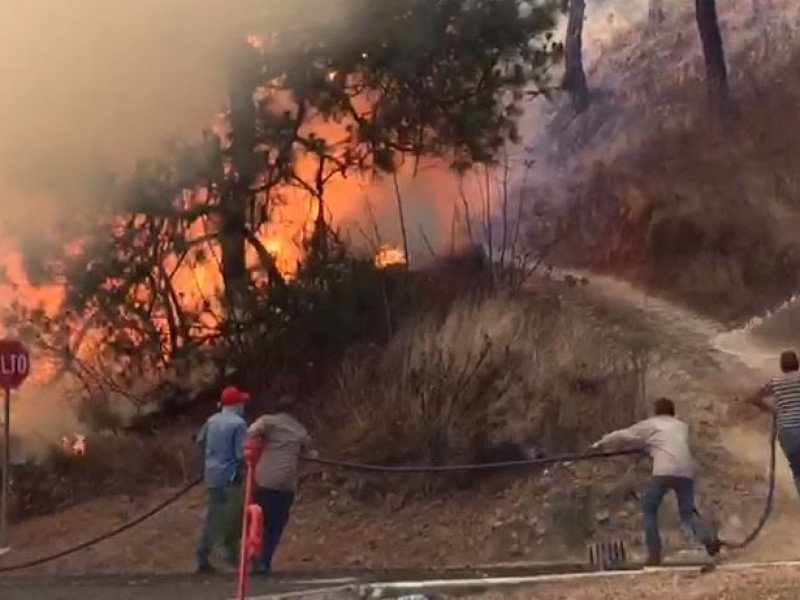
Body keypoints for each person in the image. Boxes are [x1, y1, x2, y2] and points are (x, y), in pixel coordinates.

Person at [591, 397, 721, 566]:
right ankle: (708, 540)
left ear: (656, 411)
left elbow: (624, 435)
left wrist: (599, 444)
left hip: (665, 471)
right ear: (672, 411)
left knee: (649, 508)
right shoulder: (682, 426)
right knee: (687, 513)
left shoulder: (652, 424)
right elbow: (667, 443)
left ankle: (654, 553)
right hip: (686, 472)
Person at [245, 395, 317, 575]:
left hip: (264, 480)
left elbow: (251, 431)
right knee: (276, 526)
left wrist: (257, 443)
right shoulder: (300, 430)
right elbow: (310, 452)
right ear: (295, 412)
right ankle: (264, 560)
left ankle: (254, 552)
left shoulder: (269, 422)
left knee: (259, 521)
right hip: (285, 485)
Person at [195, 385, 250, 573]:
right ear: (236, 404)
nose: (244, 405)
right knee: (234, 516)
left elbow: (200, 442)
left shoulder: (211, 421)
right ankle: (231, 556)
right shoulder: (238, 424)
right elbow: (241, 453)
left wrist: (208, 460)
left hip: (211, 475)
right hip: (230, 476)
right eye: (241, 402)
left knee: (213, 515)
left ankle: (202, 554)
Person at [747, 349, 800, 500]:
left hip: (786, 434)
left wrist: (773, 410)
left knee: (797, 470)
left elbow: (754, 398)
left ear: (782, 366)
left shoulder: (775, 383)